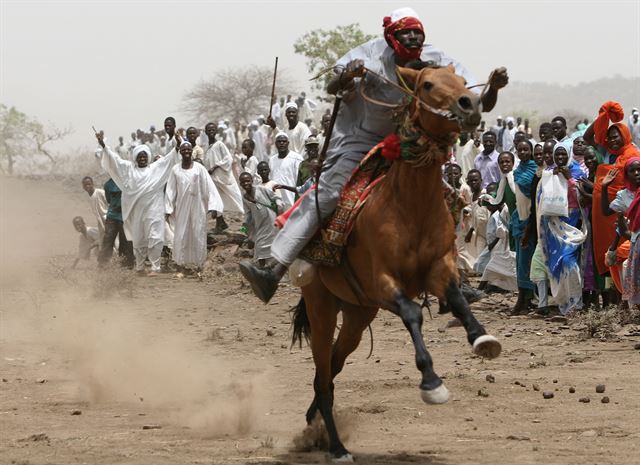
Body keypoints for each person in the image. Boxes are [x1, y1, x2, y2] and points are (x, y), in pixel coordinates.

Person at [240, 6, 508, 302]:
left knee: (449, 200)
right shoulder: (368, 55)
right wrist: (347, 77)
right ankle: (274, 270)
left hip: (407, 143)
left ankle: (452, 278)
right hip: (360, 140)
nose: (412, 37)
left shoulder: (438, 61)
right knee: (327, 194)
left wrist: (493, 87)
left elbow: (477, 103)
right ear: (391, 35)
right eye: (405, 32)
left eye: (417, 32)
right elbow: (333, 85)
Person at [95, 132, 180, 276]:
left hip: (154, 211)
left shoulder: (155, 169)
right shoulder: (129, 170)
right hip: (137, 212)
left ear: (148, 158)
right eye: (139, 156)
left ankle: (155, 267)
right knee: (139, 239)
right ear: (135, 158)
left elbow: (169, 159)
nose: (142, 158)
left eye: (144, 156)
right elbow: (115, 161)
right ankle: (140, 267)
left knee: (156, 237)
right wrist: (103, 144)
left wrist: (178, 144)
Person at [585, 101, 640, 278]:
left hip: (629, 213)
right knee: (612, 256)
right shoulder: (610, 153)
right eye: (610, 137)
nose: (612, 140)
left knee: (626, 255)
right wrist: (604, 115)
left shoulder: (632, 156)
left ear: (624, 135)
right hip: (609, 213)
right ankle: (623, 300)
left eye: (616, 136)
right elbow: (588, 138)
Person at [536, 143, 587, 315]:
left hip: (572, 223)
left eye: (563, 154)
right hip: (553, 223)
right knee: (556, 264)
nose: (559, 158)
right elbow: (541, 199)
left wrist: (569, 178)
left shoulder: (578, 172)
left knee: (569, 261)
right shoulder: (549, 173)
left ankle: (576, 303)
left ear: (569, 154)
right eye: (557, 155)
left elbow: (582, 198)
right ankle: (564, 304)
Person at [165, 141, 223, 272]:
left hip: (198, 206)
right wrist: (168, 209)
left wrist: (213, 205)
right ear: (180, 152)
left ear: (192, 151)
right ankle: (180, 263)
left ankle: (199, 264)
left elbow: (209, 187)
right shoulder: (175, 170)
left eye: (188, 150)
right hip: (182, 206)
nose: (186, 152)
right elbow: (171, 190)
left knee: (198, 232)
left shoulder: (199, 168)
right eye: (183, 150)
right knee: (181, 233)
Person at [203, 122, 244, 232]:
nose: (211, 132)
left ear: (216, 132)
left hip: (223, 178)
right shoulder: (207, 147)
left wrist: (215, 166)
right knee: (215, 200)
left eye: (213, 130)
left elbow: (228, 158)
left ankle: (247, 219)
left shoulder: (219, 144)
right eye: (209, 130)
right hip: (213, 179)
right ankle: (220, 223)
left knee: (235, 198)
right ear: (206, 132)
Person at [239, 172, 283, 267]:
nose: (246, 183)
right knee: (260, 247)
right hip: (260, 225)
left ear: (252, 181)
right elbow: (248, 214)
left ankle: (277, 270)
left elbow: (276, 197)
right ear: (240, 184)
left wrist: (279, 206)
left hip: (272, 221)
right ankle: (262, 270)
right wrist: (244, 227)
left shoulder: (262, 190)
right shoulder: (245, 197)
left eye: (247, 181)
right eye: (243, 182)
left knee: (275, 245)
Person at [98, 177, 134, 268]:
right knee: (108, 240)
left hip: (125, 217)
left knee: (126, 241)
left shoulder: (129, 182)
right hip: (112, 216)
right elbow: (109, 200)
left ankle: (126, 264)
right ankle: (103, 264)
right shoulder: (108, 184)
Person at [268, 132, 303, 209]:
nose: (281, 143)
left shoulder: (297, 158)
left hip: (292, 198)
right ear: (275, 144)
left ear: (288, 143)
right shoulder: (272, 160)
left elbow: (300, 180)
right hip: (277, 200)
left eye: (284, 141)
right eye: (279, 141)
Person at [81, 176, 107, 245]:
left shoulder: (100, 192)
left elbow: (110, 203)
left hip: (108, 219)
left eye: (89, 184)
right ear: (83, 187)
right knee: (102, 239)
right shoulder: (89, 197)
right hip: (100, 221)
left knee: (113, 238)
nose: (87, 186)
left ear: (92, 184)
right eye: (85, 185)